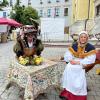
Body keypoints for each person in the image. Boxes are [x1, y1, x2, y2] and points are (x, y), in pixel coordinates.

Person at [60, 31, 96, 100]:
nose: (83, 39)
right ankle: (67, 93)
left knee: (77, 70)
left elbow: (91, 59)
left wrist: (78, 62)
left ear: (87, 38)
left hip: (82, 64)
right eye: (81, 37)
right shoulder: (75, 45)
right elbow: (68, 53)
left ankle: (77, 95)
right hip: (73, 61)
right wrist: (70, 60)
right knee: (68, 67)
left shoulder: (90, 47)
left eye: (84, 37)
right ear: (79, 38)